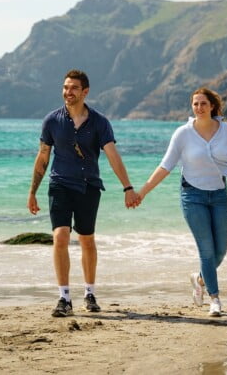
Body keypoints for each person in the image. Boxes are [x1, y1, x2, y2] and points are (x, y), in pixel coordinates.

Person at [27, 69, 140, 317]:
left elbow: (112, 156)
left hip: (89, 186)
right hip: (59, 184)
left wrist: (128, 187)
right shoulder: (52, 121)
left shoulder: (100, 122)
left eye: (74, 88)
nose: (68, 92)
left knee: (87, 239)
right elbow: (43, 156)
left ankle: (89, 292)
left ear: (85, 92)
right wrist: (32, 191)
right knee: (60, 237)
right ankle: (64, 297)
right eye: (65, 87)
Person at [136, 87, 227, 317]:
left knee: (220, 251)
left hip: (218, 196)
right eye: (195, 104)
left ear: (212, 106)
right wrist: (143, 191)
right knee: (206, 251)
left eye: (203, 103)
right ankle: (214, 299)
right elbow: (165, 166)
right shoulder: (183, 134)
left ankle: (198, 278)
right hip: (192, 196)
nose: (199, 108)